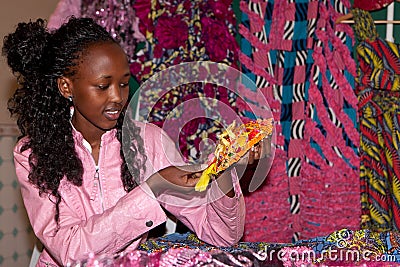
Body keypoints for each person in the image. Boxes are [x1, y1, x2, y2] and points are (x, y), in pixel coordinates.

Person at [1, 16, 270, 267]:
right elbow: (72, 252)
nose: (117, 97)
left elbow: (222, 237)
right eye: (103, 86)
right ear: (66, 87)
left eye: (123, 84)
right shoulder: (32, 154)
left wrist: (223, 176)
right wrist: (152, 189)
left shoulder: (147, 140)